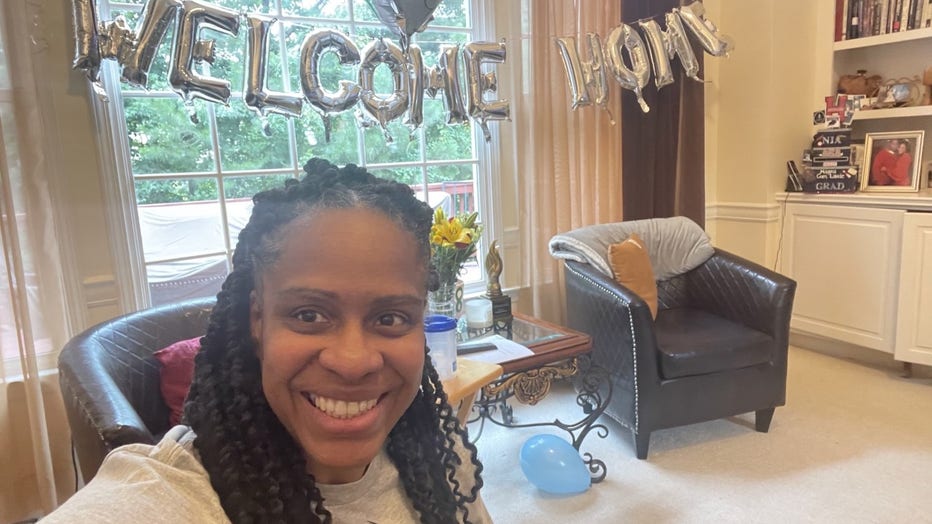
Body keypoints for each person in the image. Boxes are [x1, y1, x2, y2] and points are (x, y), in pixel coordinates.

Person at [42, 159, 491, 523]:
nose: (353, 361)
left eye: (390, 317)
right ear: (258, 319)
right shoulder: (165, 498)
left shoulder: (441, 454)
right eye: (309, 315)